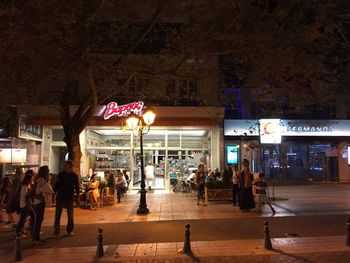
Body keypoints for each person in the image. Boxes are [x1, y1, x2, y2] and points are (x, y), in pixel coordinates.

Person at [54, 160, 80, 237]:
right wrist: (54, 193)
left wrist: (77, 195)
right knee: (58, 214)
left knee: (70, 215)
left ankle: (69, 230)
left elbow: (77, 186)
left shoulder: (74, 175)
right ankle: (56, 231)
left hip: (69, 196)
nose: (65, 167)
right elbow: (57, 185)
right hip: (61, 196)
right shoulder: (61, 174)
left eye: (66, 166)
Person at [33, 166, 54, 243]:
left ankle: (36, 237)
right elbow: (38, 192)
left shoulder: (42, 179)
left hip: (39, 202)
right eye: (47, 171)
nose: (48, 172)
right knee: (39, 219)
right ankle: (35, 237)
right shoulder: (41, 180)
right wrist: (43, 199)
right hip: (39, 203)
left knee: (39, 219)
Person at [15, 170, 36, 242]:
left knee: (24, 218)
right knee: (29, 217)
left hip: (26, 205)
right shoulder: (24, 186)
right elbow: (25, 195)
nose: (32, 180)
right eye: (31, 179)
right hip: (25, 205)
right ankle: (20, 232)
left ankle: (20, 231)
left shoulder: (27, 185)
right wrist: (31, 192)